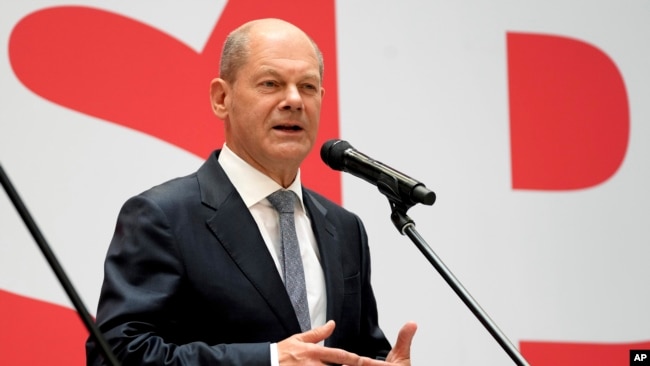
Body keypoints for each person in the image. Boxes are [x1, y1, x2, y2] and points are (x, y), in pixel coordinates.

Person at [86, 18, 417, 365]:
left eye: (307, 87)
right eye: (271, 83)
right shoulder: (162, 217)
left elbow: (358, 351)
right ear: (221, 98)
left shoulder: (345, 228)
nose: (293, 100)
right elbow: (118, 354)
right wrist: (270, 360)